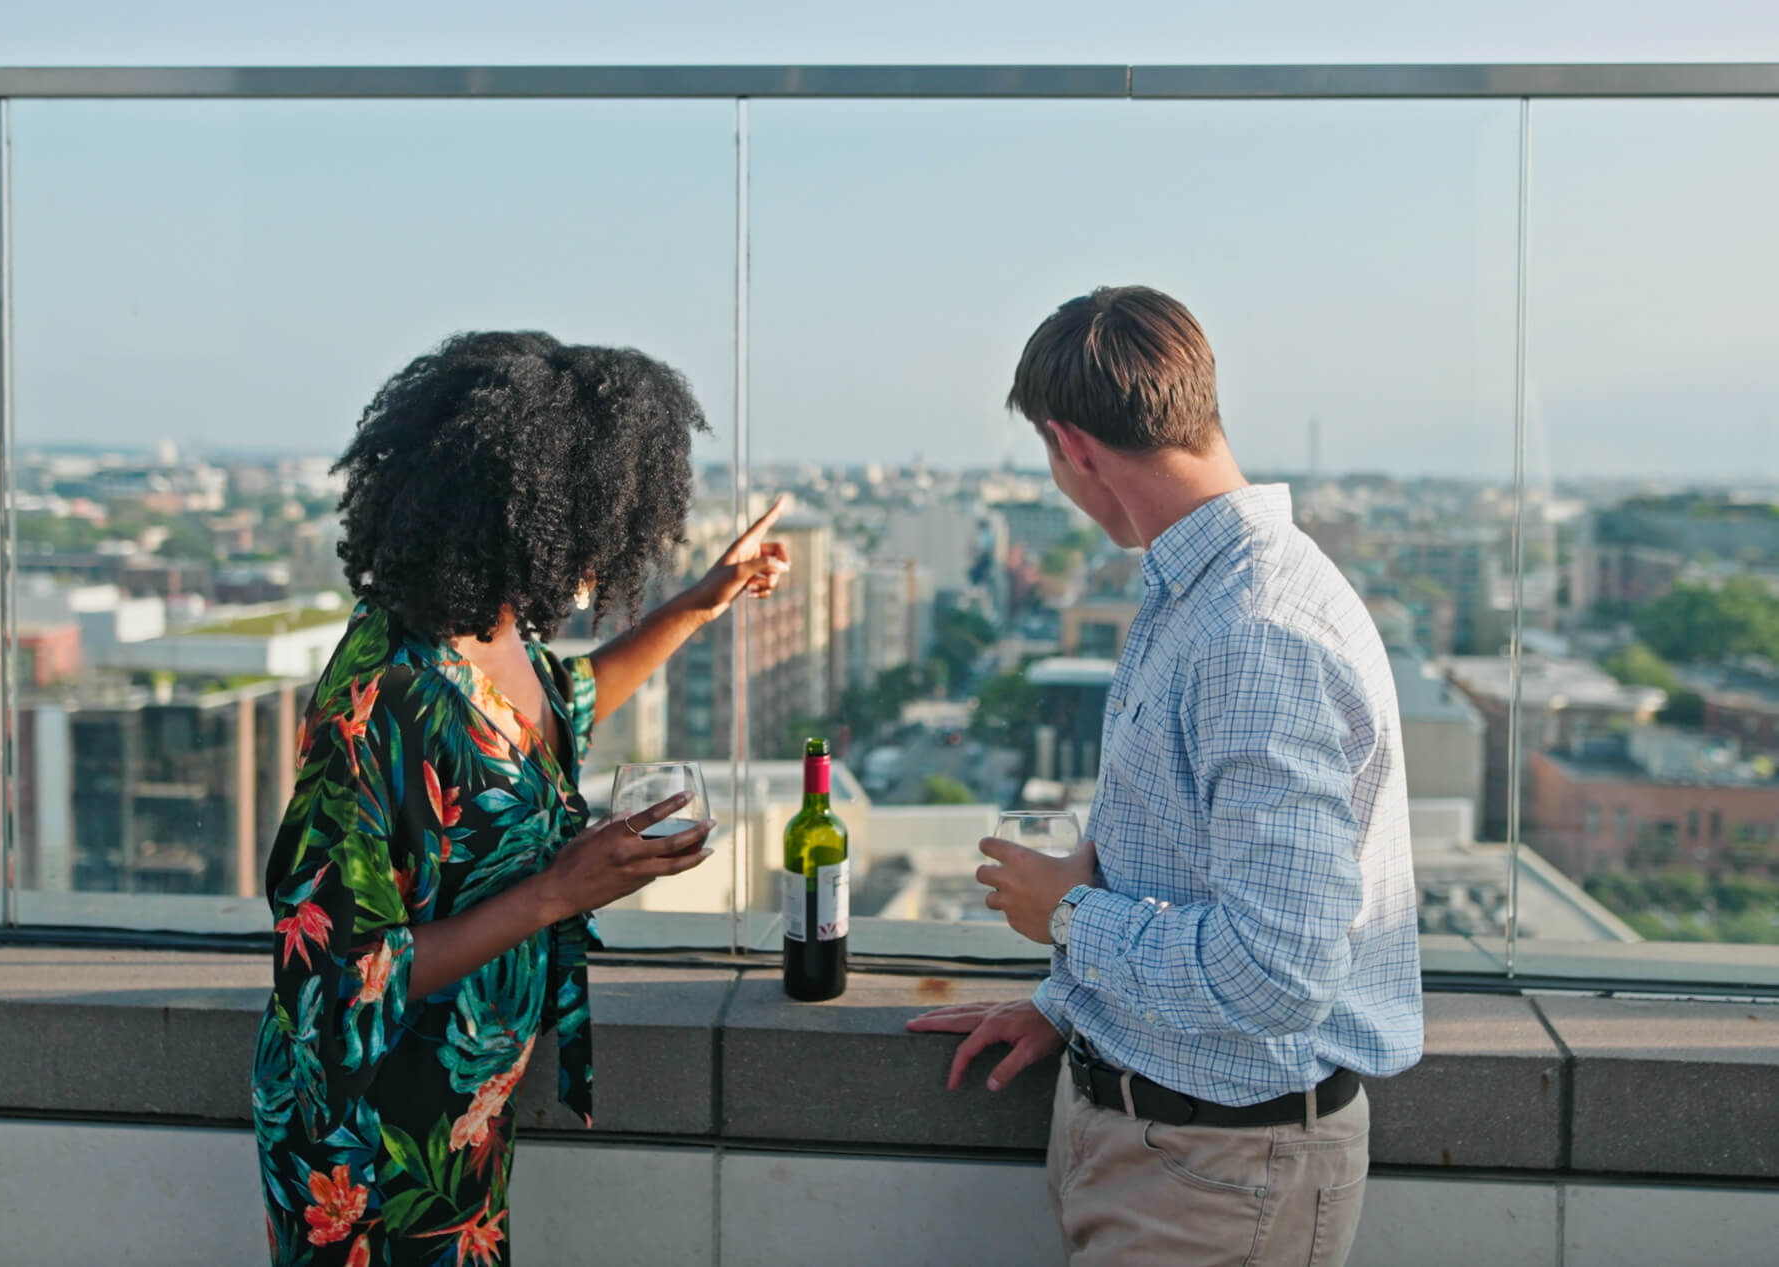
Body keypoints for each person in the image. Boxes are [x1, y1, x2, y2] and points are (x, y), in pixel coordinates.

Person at [907, 287, 1422, 1267]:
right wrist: (1069, 1002)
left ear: (1074, 446)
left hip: (1223, 1167)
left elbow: (1278, 976)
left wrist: (1065, 917)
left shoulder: (1253, 628)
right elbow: (1176, 857)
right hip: (1172, 1145)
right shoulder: (1204, 588)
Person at [253, 331, 790, 1266]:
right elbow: (341, 978)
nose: (601, 559)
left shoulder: (496, 632)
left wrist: (706, 600)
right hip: (367, 1138)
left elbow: (561, 706)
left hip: (467, 1111)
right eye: (593, 525)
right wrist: (560, 890)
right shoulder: (373, 698)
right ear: (520, 511)